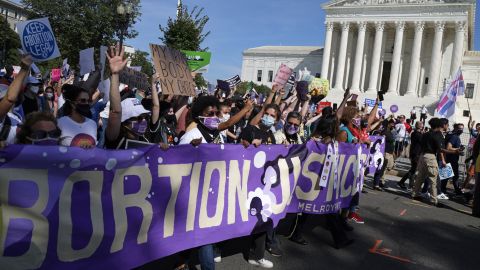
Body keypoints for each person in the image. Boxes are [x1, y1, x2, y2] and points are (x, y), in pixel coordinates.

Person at [0, 54, 32, 146]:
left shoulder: (16, 116)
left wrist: (28, 67)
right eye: (3, 98)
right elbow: (10, 99)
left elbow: (21, 86)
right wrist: (24, 68)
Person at [412, 118, 445, 207]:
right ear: (438, 126)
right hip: (431, 156)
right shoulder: (437, 135)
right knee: (433, 179)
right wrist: (455, 151)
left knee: (420, 177)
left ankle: (415, 194)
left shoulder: (425, 134)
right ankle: (434, 199)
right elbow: (441, 148)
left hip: (422, 155)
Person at [398, 121, 424, 189]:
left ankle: (404, 182)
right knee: (413, 170)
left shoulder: (416, 133)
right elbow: (422, 141)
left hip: (415, 153)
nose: (422, 125)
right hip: (416, 154)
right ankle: (409, 184)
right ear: (419, 126)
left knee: (413, 169)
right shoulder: (417, 134)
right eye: (421, 124)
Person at [443, 123, 464, 195]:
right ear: (455, 128)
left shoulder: (451, 135)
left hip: (449, 158)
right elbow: (448, 147)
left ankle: (443, 190)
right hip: (452, 159)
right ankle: (457, 191)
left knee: (446, 176)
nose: (461, 130)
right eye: (459, 128)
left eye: (462, 129)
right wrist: (458, 150)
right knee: (454, 176)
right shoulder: (454, 137)